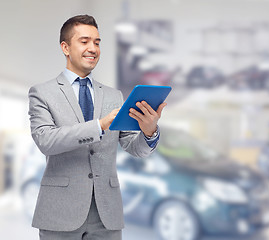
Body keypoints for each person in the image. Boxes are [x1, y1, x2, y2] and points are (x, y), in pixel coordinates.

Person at [28, 14, 167, 240]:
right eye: (84, 41)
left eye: (97, 42)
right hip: (60, 212)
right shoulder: (42, 93)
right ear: (65, 47)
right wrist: (99, 126)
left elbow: (134, 148)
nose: (93, 48)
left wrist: (149, 131)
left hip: (106, 213)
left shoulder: (114, 96)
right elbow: (46, 141)